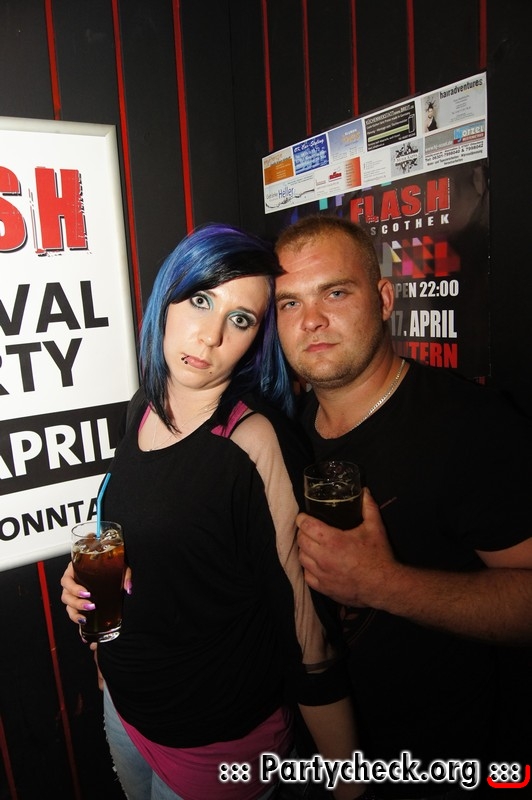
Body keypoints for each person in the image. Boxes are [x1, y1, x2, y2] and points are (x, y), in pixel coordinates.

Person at [60, 223, 360, 800]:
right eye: (201, 300)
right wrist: (88, 599)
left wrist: (352, 784)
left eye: (240, 319)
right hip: (126, 708)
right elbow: (151, 546)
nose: (212, 335)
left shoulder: (253, 442)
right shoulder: (142, 408)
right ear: (167, 298)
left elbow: (309, 635)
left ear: (255, 340)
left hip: (216, 743)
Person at [274, 213, 532, 799]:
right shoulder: (285, 432)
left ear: (385, 298)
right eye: (290, 303)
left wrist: (382, 584)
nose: (311, 320)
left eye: (335, 293)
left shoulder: (472, 426)